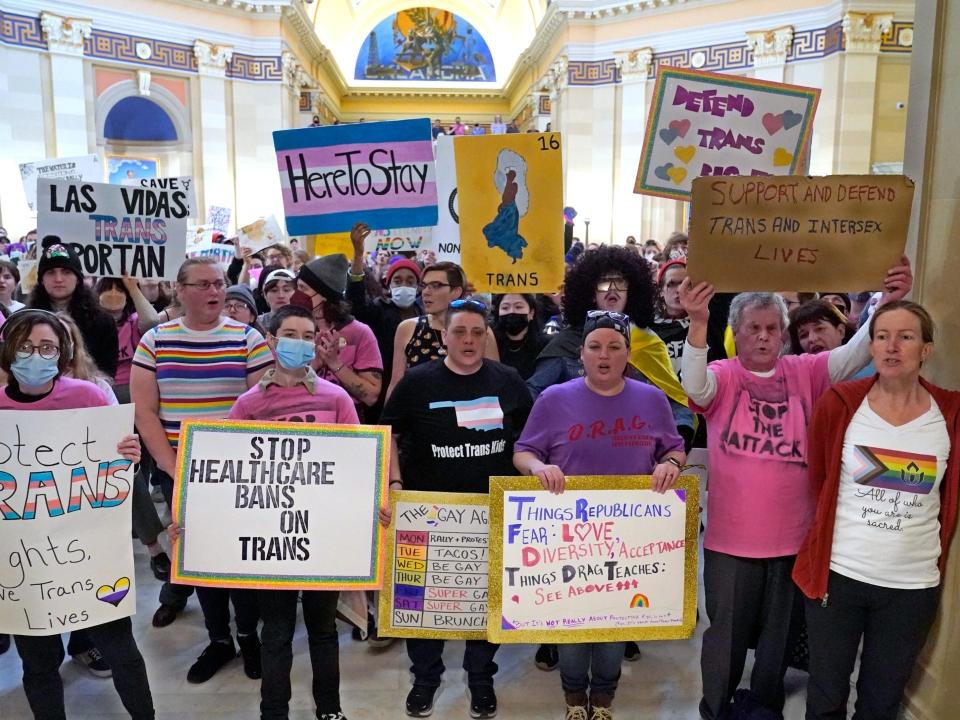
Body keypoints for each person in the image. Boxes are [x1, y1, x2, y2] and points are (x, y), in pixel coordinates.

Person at [677, 256, 913, 720]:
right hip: (731, 540)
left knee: (778, 637)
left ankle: (764, 706)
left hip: (792, 537)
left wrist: (889, 302)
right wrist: (698, 323)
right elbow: (696, 386)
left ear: (782, 333)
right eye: (752, 329)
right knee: (724, 633)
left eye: (771, 328)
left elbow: (857, 352)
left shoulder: (806, 371)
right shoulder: (724, 375)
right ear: (737, 332)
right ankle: (716, 707)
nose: (763, 336)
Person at [513, 311, 686, 720]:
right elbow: (523, 451)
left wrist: (672, 465)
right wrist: (538, 468)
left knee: (613, 631)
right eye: (595, 347)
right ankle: (574, 698)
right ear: (582, 352)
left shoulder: (651, 398)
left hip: (628, 541)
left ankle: (604, 699)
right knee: (572, 632)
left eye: (614, 347)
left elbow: (674, 447)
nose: (604, 355)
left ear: (628, 353)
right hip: (568, 541)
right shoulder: (554, 399)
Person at [792, 300, 959, 720]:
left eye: (905, 337)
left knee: (880, 701)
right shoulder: (842, 403)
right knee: (826, 695)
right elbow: (821, 478)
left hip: (911, 586)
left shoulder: (950, 415)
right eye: (882, 336)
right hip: (839, 576)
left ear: (926, 349)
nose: (891, 346)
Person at [0, 309, 155, 719]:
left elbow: (115, 472)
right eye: (25, 347)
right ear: (7, 352)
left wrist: (130, 457)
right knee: (38, 662)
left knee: (122, 652)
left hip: (88, 555)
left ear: (62, 352)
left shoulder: (87, 397)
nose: (35, 356)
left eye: (47, 347)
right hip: (22, 563)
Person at [381, 299, 532, 719]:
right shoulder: (416, 382)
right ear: (443, 336)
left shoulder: (508, 380)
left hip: (490, 511)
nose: (469, 340)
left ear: (488, 335)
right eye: (460, 332)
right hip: (427, 512)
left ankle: (481, 678)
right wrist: (393, 482)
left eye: (477, 332)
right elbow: (386, 432)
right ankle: (425, 679)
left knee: (485, 599)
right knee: (422, 599)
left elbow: (530, 436)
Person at [131, 256, 273, 683]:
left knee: (243, 560)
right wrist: (172, 467)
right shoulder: (155, 341)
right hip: (182, 471)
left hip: (240, 473)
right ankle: (218, 641)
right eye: (204, 284)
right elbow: (145, 411)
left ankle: (249, 636)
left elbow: (264, 406)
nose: (215, 292)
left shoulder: (248, 338)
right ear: (180, 289)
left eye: (220, 284)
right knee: (201, 558)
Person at [228, 305, 361, 720]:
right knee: (277, 632)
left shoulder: (336, 398)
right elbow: (231, 472)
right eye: (290, 334)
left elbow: (357, 461)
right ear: (270, 340)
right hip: (272, 538)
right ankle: (274, 712)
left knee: (324, 630)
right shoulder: (248, 404)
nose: (299, 343)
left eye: (308, 336)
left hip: (322, 536)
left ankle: (330, 710)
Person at [387, 261, 498, 399]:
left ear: (456, 292)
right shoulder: (408, 329)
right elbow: (396, 385)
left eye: (436, 286)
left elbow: (495, 382)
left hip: (467, 412)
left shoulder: (479, 331)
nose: (426, 292)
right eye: (424, 286)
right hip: (419, 415)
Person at [347, 223, 424, 417]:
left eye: (410, 281)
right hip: (384, 395)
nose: (404, 285)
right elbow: (355, 302)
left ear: (418, 287)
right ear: (388, 285)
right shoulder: (378, 310)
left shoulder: (424, 312)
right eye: (398, 281)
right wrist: (358, 256)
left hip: (420, 391)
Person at [296, 253, 383, 408]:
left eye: (303, 289)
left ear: (323, 295)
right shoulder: (292, 329)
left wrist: (334, 363)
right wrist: (314, 365)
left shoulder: (360, 333)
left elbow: (371, 396)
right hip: (302, 419)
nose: (296, 295)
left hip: (346, 423)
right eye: (297, 287)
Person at [29, 237, 118, 377]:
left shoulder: (103, 322)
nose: (58, 279)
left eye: (66, 271)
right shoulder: (25, 320)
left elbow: (107, 373)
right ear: (41, 280)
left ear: (78, 279)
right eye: (51, 272)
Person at [492, 293, 548, 380]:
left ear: (531, 313)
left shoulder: (546, 345)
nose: (511, 311)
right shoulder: (489, 342)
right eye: (505, 308)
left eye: (518, 307)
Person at [787, 299, 854, 356]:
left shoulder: (861, 364)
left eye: (819, 329)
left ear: (841, 331)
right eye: (803, 335)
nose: (811, 339)